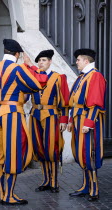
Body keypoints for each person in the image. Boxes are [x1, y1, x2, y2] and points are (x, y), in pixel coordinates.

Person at [0, 39, 48, 205]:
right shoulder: (18, 68)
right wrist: (30, 65)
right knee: (13, 152)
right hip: (12, 114)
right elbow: (38, 83)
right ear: (17, 54)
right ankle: (8, 195)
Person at [24, 49, 69, 193]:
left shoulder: (58, 77)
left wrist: (64, 119)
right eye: (39, 61)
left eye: (43, 60)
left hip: (52, 115)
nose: (40, 63)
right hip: (35, 114)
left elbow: (65, 100)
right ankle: (45, 180)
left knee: (52, 148)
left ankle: (54, 181)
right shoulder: (33, 77)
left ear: (50, 61)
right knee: (39, 148)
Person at [67, 48, 106, 201]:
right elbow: (74, 102)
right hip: (78, 120)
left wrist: (88, 123)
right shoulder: (82, 77)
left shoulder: (95, 76)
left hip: (87, 121)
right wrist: (70, 120)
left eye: (78, 60)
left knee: (90, 153)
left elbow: (95, 102)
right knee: (82, 153)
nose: (76, 62)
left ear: (86, 61)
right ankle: (85, 186)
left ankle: (94, 189)